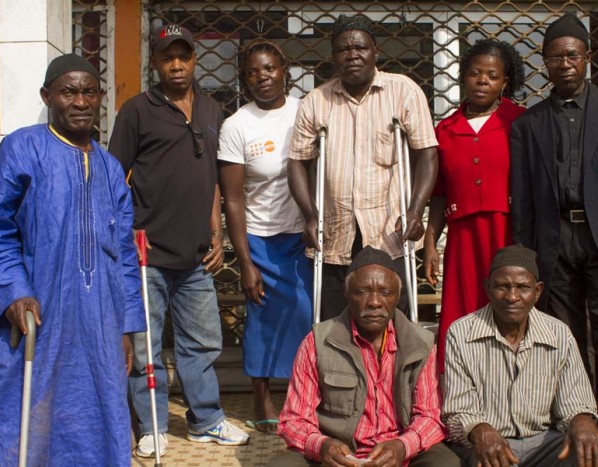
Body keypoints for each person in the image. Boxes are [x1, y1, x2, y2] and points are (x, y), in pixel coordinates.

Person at [0, 54, 146, 466]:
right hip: (36, 316)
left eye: (88, 92)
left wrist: (127, 327)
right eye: (69, 92)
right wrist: (13, 293)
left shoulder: (110, 167)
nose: (80, 101)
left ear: (101, 97)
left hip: (98, 325)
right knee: (20, 417)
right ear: (48, 97)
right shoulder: (23, 147)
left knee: (95, 418)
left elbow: (122, 255)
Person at [509, 13, 598, 467]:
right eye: (556, 57)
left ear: (587, 58)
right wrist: (527, 262)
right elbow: (524, 203)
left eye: (573, 55)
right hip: (554, 246)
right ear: (545, 63)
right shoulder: (529, 125)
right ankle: (579, 439)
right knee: (567, 348)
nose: (565, 63)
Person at [108, 23, 248, 458]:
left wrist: (217, 228)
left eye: (183, 56)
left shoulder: (212, 110)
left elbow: (211, 179)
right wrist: (124, 231)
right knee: (147, 344)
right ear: (155, 63)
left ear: (194, 60)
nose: (176, 65)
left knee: (202, 342)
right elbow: (115, 177)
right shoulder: (137, 110)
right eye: (167, 57)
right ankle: (151, 424)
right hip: (147, 252)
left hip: (195, 255)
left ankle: (205, 420)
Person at [288, 14, 438, 320]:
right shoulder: (316, 101)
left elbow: (427, 155)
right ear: (333, 56)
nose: (352, 54)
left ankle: (394, 370)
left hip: (389, 233)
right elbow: (297, 163)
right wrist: (310, 215)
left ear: (375, 52)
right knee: (336, 324)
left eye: (360, 47)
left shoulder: (403, 91)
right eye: (344, 49)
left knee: (393, 321)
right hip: (335, 234)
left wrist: (415, 210)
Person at [270, 246, 460, 467]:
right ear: (347, 295)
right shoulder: (317, 342)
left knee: (446, 462)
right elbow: (294, 420)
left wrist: (402, 446)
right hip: (338, 456)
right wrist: (322, 446)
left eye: (385, 293)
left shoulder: (420, 343)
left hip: (399, 454)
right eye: (362, 292)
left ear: (397, 297)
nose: (374, 302)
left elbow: (430, 416)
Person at [443, 245, 598, 467]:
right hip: (489, 444)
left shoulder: (558, 333)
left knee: (596, 459)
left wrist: (582, 421)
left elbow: (576, 402)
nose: (512, 297)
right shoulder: (461, 333)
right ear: (487, 287)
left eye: (523, 287)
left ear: (538, 291)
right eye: (502, 287)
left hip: (545, 442)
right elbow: (458, 410)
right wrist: (479, 430)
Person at [218, 40, 312, 433]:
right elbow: (234, 199)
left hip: (301, 234)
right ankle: (261, 393)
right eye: (254, 71)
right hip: (258, 234)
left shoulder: (304, 111)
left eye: (270, 68)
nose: (263, 77)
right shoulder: (237, 125)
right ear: (245, 78)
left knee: (306, 314)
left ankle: (301, 393)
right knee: (260, 318)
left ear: (284, 69)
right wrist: (245, 262)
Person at [422, 38, 526, 370]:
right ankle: (460, 393)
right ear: (463, 77)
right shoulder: (446, 130)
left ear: (504, 82)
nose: (483, 81)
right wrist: (429, 242)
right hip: (463, 237)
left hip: (508, 233)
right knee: (463, 310)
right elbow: (439, 193)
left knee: (510, 307)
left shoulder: (520, 122)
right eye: (475, 73)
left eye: (492, 76)